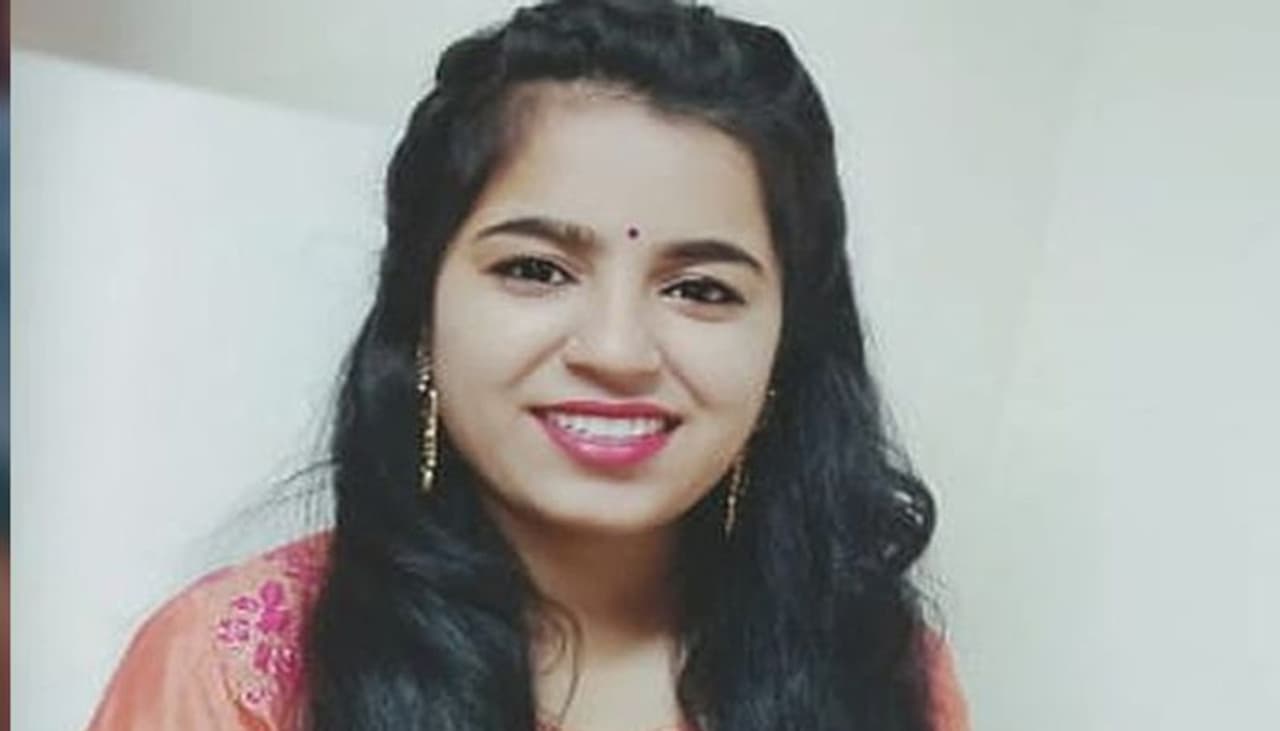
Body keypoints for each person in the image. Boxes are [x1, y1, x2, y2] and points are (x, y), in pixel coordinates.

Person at [88, 1, 969, 729]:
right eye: (536, 270)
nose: (616, 351)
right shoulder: (231, 677)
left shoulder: (877, 670)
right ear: (421, 309)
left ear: (784, 347)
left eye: (700, 289)